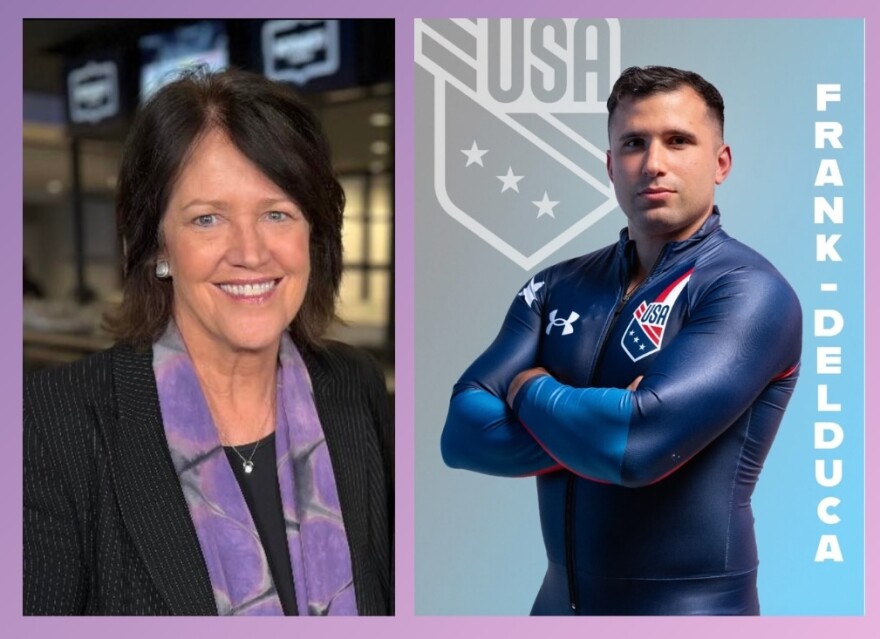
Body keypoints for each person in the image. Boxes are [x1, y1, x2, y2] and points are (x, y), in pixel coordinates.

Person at [24, 69, 393, 616]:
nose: (249, 251)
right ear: (157, 246)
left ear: (312, 235)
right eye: (207, 219)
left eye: (276, 213)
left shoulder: (354, 386)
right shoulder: (53, 423)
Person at [441, 66, 801, 615]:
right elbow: (461, 435)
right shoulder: (555, 285)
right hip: (557, 608)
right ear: (611, 165)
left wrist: (527, 389)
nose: (654, 163)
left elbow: (635, 447)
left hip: (694, 612)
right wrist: (598, 424)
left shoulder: (750, 292)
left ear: (720, 163)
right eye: (634, 143)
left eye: (679, 141)